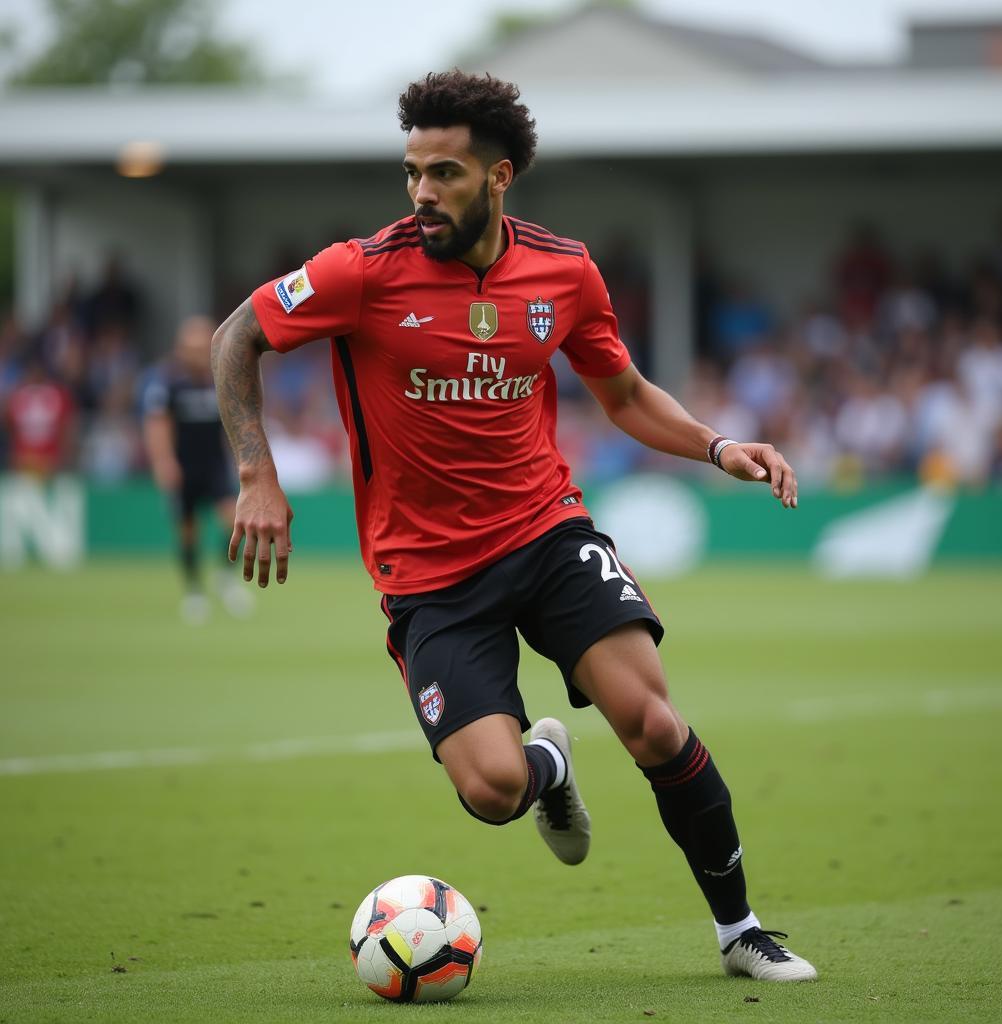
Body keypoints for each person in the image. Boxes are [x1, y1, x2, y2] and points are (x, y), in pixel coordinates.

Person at [212, 71, 815, 982]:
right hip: (428, 574)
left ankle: (741, 931)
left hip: (546, 532)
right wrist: (258, 473)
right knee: (494, 792)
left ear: (498, 178)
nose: (421, 192)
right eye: (412, 170)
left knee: (652, 724)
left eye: (445, 173)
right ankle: (548, 768)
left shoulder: (564, 270)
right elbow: (236, 338)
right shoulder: (361, 271)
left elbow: (622, 393)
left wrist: (717, 444)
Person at [143, 315, 252, 623]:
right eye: (192, 347)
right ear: (181, 350)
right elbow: (157, 425)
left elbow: (234, 423)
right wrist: (164, 461)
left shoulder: (222, 381)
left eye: (203, 346)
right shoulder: (168, 385)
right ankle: (193, 592)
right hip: (184, 467)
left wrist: (241, 459)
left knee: (233, 521)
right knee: (188, 531)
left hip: (215, 466)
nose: (198, 353)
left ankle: (225, 577)